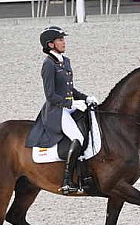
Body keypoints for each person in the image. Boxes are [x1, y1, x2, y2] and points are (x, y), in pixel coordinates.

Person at [25, 25, 98, 194]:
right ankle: (67, 181)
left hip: (68, 106)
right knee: (78, 137)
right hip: (56, 111)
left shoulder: (65, 61)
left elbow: (69, 89)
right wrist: (71, 104)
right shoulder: (48, 64)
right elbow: (50, 95)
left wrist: (85, 98)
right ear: (50, 44)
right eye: (60, 40)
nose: (64, 42)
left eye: (63, 39)